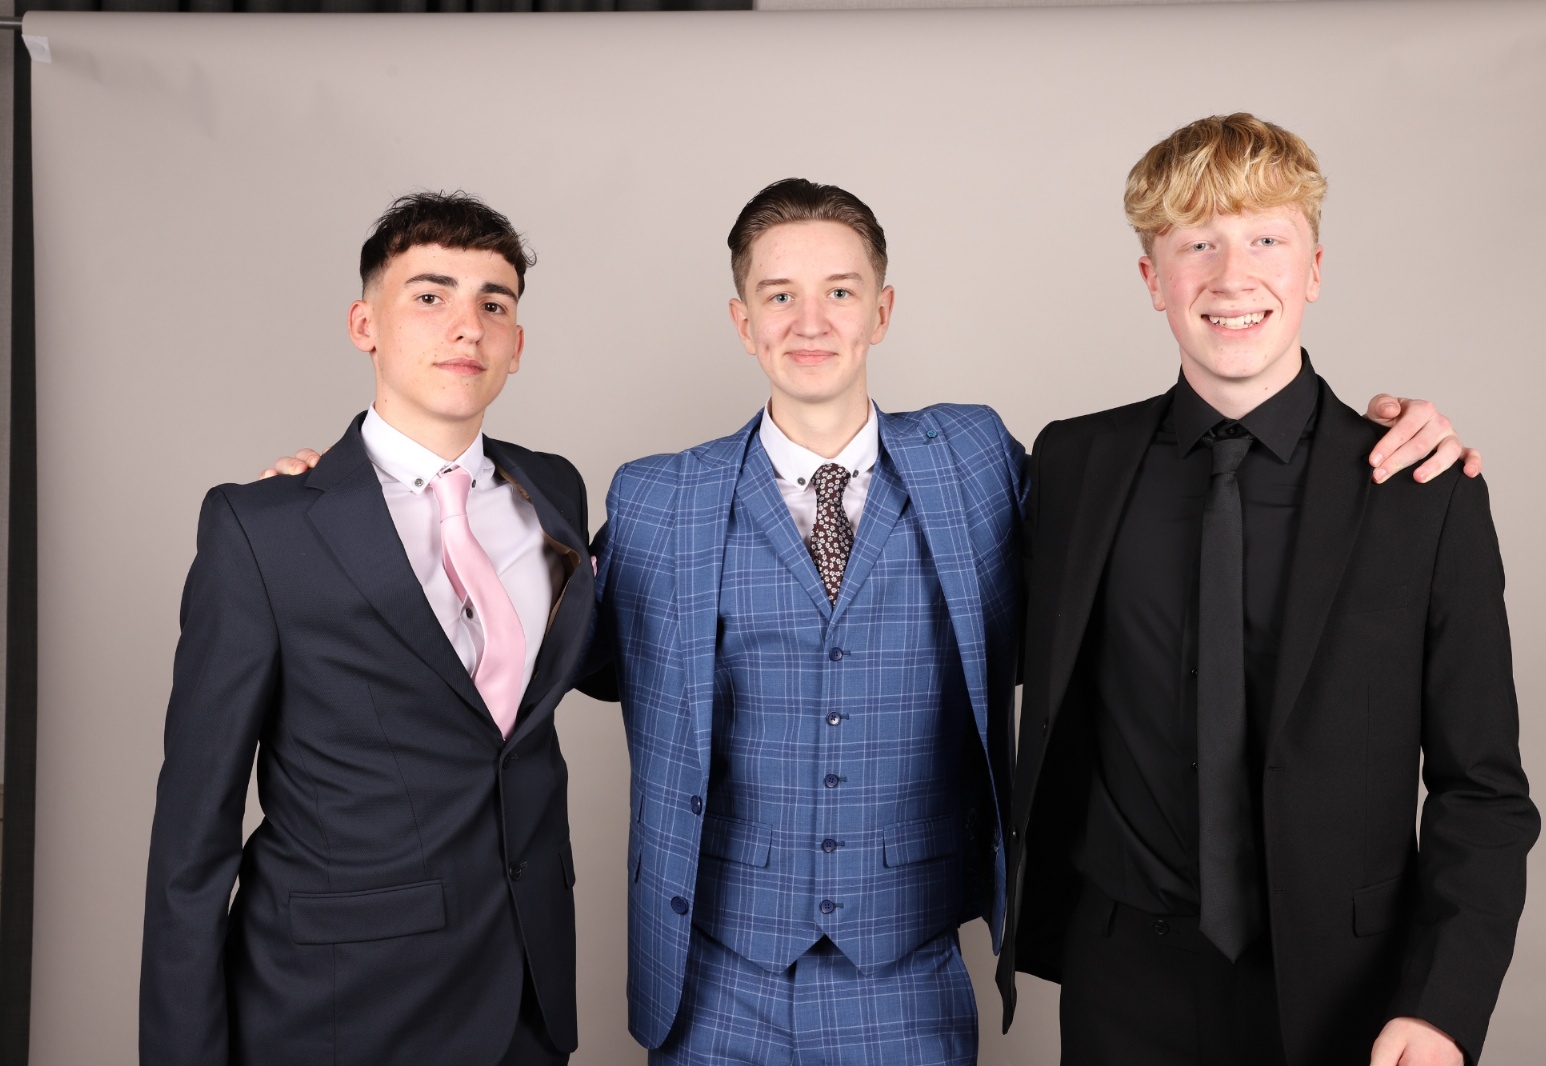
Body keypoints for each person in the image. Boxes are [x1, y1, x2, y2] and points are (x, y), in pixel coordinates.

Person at [264, 179, 1475, 1065]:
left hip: (908, 977)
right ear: (742, 320)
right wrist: (379, 498)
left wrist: (1382, 435)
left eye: (839, 291)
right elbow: (543, 641)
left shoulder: (978, 464)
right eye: (779, 295)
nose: (811, 319)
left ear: (881, 309)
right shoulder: (659, 499)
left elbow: (1154, 527)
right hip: (715, 983)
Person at [997, 114, 1538, 1066]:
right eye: (1196, 244)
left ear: (1314, 269)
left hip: (1347, 996)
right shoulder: (1073, 463)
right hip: (1121, 981)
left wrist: (1442, 1007)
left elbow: (1482, 790)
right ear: (1151, 278)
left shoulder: (1423, 491)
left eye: (1266, 241)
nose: (1232, 276)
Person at [141, 192, 593, 1066]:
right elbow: (191, 839)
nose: (466, 326)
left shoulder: (555, 491)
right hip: (338, 1007)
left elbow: (601, 660)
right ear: (365, 325)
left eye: (493, 304)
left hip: (527, 999)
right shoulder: (263, 529)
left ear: (516, 344)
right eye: (430, 295)